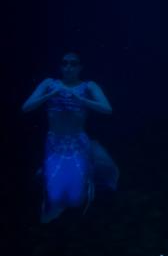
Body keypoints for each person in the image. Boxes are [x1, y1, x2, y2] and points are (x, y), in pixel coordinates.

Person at [22, 52, 118, 223]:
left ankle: (80, 201)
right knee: (55, 190)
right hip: (55, 142)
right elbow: (26, 107)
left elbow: (107, 109)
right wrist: (49, 95)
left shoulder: (88, 86)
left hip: (77, 141)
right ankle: (54, 209)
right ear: (60, 66)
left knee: (76, 192)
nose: (68, 67)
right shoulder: (49, 83)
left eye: (73, 64)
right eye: (65, 63)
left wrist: (81, 99)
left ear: (80, 67)